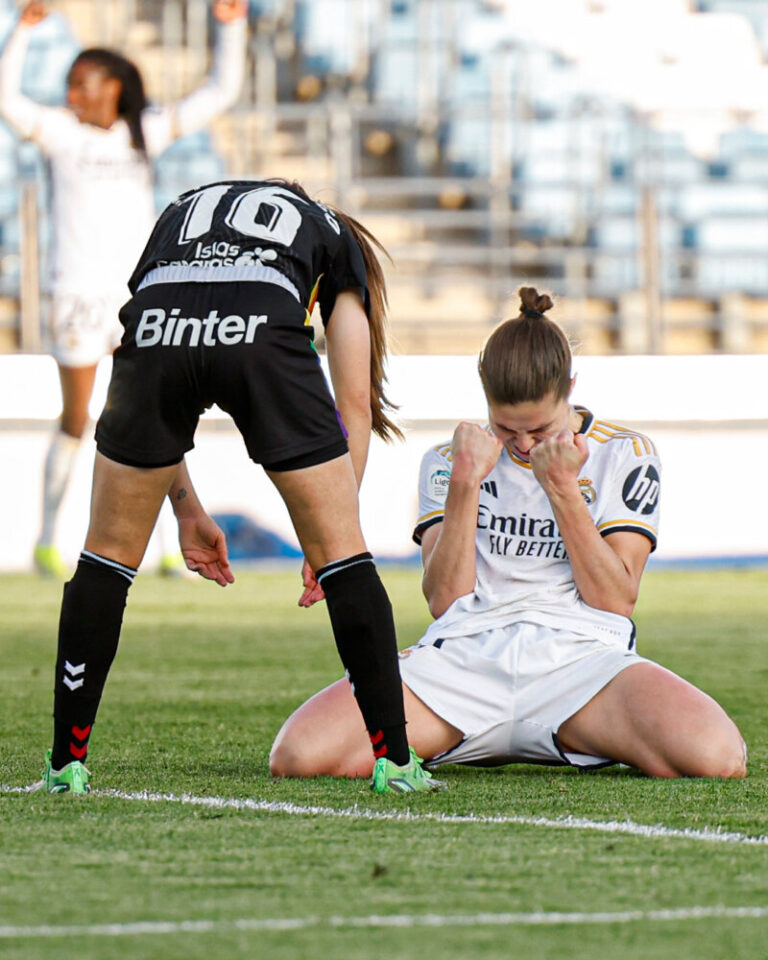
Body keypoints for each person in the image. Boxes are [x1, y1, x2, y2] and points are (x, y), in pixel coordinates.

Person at [33, 177, 442, 797]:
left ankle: (65, 765)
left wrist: (186, 510)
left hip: (157, 330)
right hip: (261, 333)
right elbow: (353, 405)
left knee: (105, 559)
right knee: (347, 561)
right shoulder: (329, 230)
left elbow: (153, 361)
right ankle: (395, 761)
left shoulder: (180, 209)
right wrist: (329, 534)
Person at [270, 287, 747, 782]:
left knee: (717, 756)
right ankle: (474, 734)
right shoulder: (449, 459)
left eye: (538, 431)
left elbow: (614, 600)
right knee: (298, 757)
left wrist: (562, 489)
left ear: (570, 386)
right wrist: (465, 482)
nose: (521, 445)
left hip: (582, 661)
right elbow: (445, 599)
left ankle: (545, 734)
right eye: (505, 428)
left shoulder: (624, 452)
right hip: (462, 661)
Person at [0, 0, 248, 577]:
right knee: (76, 417)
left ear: (112, 86)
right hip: (77, 298)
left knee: (155, 416)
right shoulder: (59, 134)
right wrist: (21, 32)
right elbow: (7, 101)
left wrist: (229, 27)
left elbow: (218, 93)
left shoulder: (144, 131)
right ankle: (45, 541)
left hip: (140, 298)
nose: (70, 96)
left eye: (80, 84)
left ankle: (164, 546)